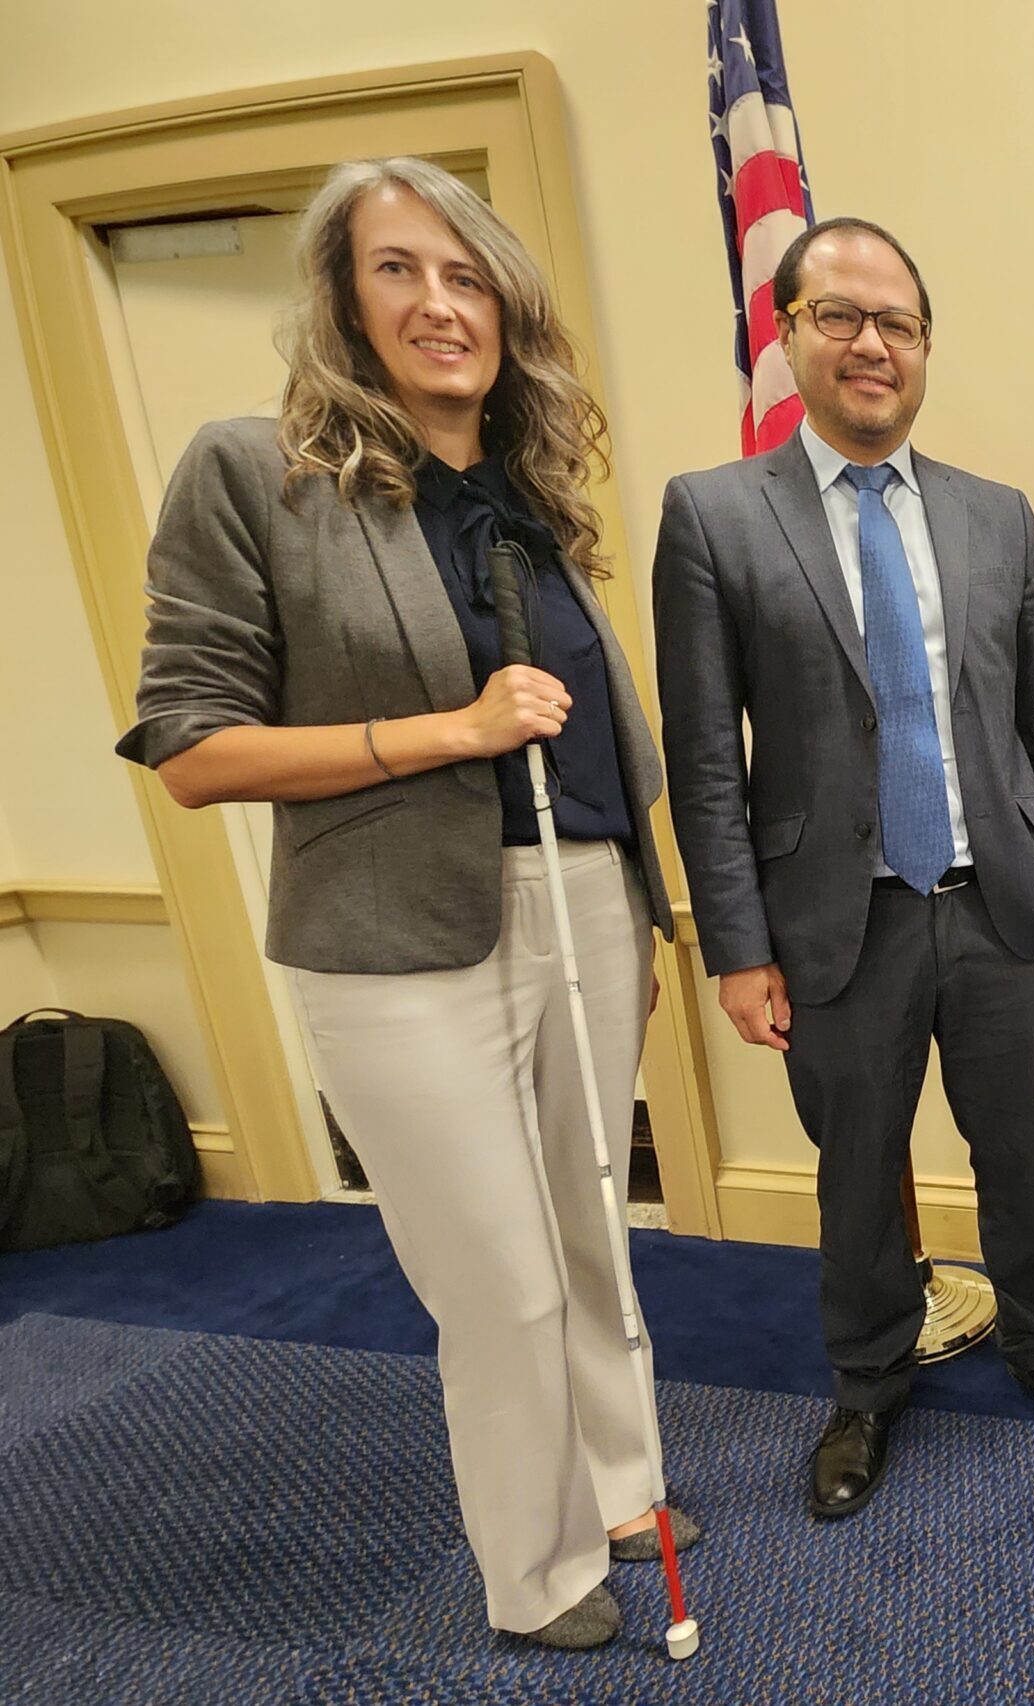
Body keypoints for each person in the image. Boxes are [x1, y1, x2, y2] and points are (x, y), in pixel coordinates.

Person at [114, 157, 689, 1650]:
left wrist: (654, 898)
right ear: (340, 299)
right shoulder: (253, 473)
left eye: (466, 273)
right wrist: (450, 730)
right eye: (398, 269)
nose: (440, 302)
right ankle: (538, 1565)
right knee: (494, 1275)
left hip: (586, 898)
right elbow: (189, 745)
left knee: (588, 1225)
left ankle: (624, 1481)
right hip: (391, 941)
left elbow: (600, 727)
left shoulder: (529, 492)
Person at [654, 216, 1034, 1526]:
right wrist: (738, 946)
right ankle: (865, 1379)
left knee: (1016, 1149)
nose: (871, 343)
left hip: (997, 907)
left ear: (923, 348)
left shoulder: (996, 515)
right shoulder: (716, 517)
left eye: (897, 322)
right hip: (833, 923)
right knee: (857, 1169)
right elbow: (705, 758)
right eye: (840, 315)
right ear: (788, 332)